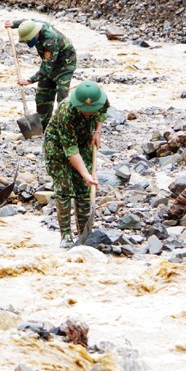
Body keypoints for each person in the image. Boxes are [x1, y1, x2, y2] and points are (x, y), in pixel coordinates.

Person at [43, 81, 109, 249]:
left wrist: (97, 131)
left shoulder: (100, 100)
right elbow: (70, 149)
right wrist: (85, 173)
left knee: (83, 189)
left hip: (83, 141)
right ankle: (65, 235)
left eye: (91, 111)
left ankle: (84, 234)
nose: (88, 113)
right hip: (58, 146)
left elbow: (103, 112)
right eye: (84, 111)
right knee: (64, 189)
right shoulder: (66, 111)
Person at [4, 19, 76, 131]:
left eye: (29, 39)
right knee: (42, 96)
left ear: (36, 34)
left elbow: (47, 68)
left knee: (62, 97)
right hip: (50, 62)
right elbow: (26, 21)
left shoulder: (50, 39)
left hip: (64, 65)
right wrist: (14, 24)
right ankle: (43, 126)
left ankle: (65, 127)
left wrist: (29, 80)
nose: (28, 42)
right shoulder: (35, 24)